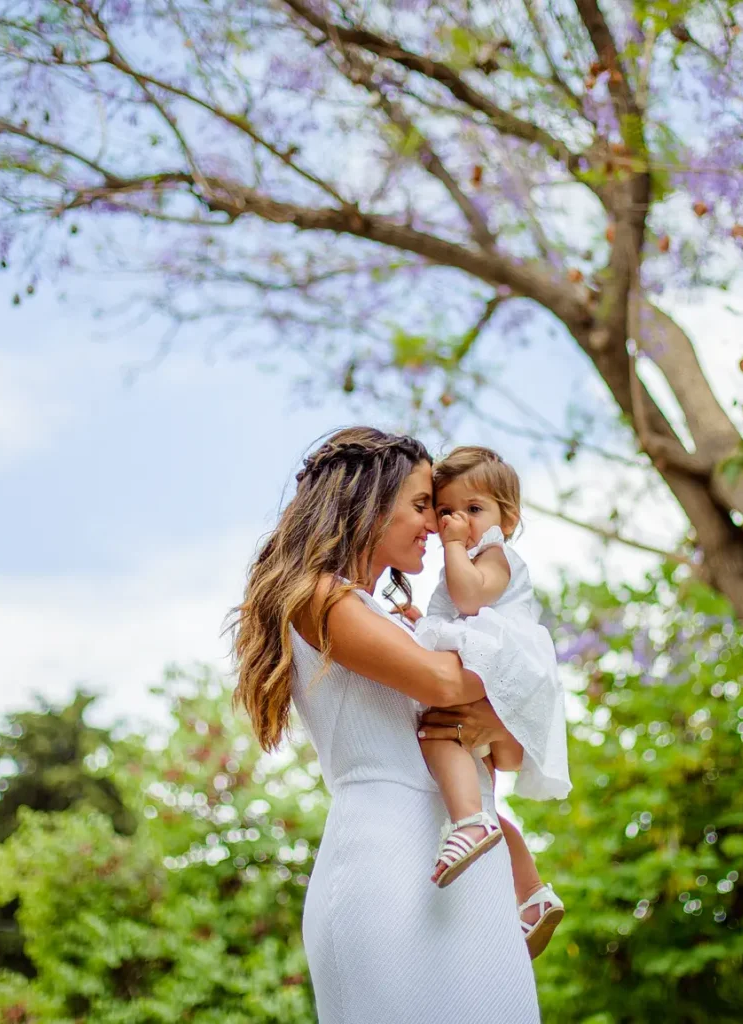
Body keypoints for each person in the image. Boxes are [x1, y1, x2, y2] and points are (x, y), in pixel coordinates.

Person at [231, 427, 539, 1024]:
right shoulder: (319, 597)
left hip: (467, 859)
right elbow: (448, 686)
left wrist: (502, 707)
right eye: (422, 504)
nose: (436, 523)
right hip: (388, 861)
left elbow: (507, 751)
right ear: (368, 503)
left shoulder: (400, 622)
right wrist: (528, 663)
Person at [407, 446, 571, 958]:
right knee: (486, 797)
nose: (460, 522)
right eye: (448, 511)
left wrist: (455, 546)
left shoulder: (495, 556)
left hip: (500, 660)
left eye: (474, 510)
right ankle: (533, 895)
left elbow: (470, 601)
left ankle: (466, 822)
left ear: (507, 518)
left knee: (437, 736)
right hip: (485, 661)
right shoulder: (469, 558)